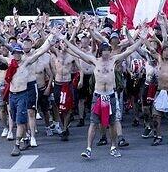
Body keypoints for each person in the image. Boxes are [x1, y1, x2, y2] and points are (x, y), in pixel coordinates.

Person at [61, 27, 148, 159]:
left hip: (111, 95)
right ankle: (88, 148)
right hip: (98, 96)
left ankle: (113, 146)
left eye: (108, 50)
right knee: (93, 123)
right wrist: (64, 40)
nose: (106, 53)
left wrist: (141, 39)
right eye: (104, 51)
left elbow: (130, 49)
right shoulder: (95, 61)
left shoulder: (114, 60)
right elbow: (78, 51)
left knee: (112, 123)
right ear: (101, 52)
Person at [0, 32, 57, 155]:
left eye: (18, 53)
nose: (16, 55)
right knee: (15, 118)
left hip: (23, 94)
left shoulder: (26, 62)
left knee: (21, 120)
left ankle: (17, 144)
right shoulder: (9, 62)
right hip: (12, 95)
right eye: (15, 53)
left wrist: (51, 39)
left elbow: (40, 51)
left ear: (21, 53)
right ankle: (26, 137)